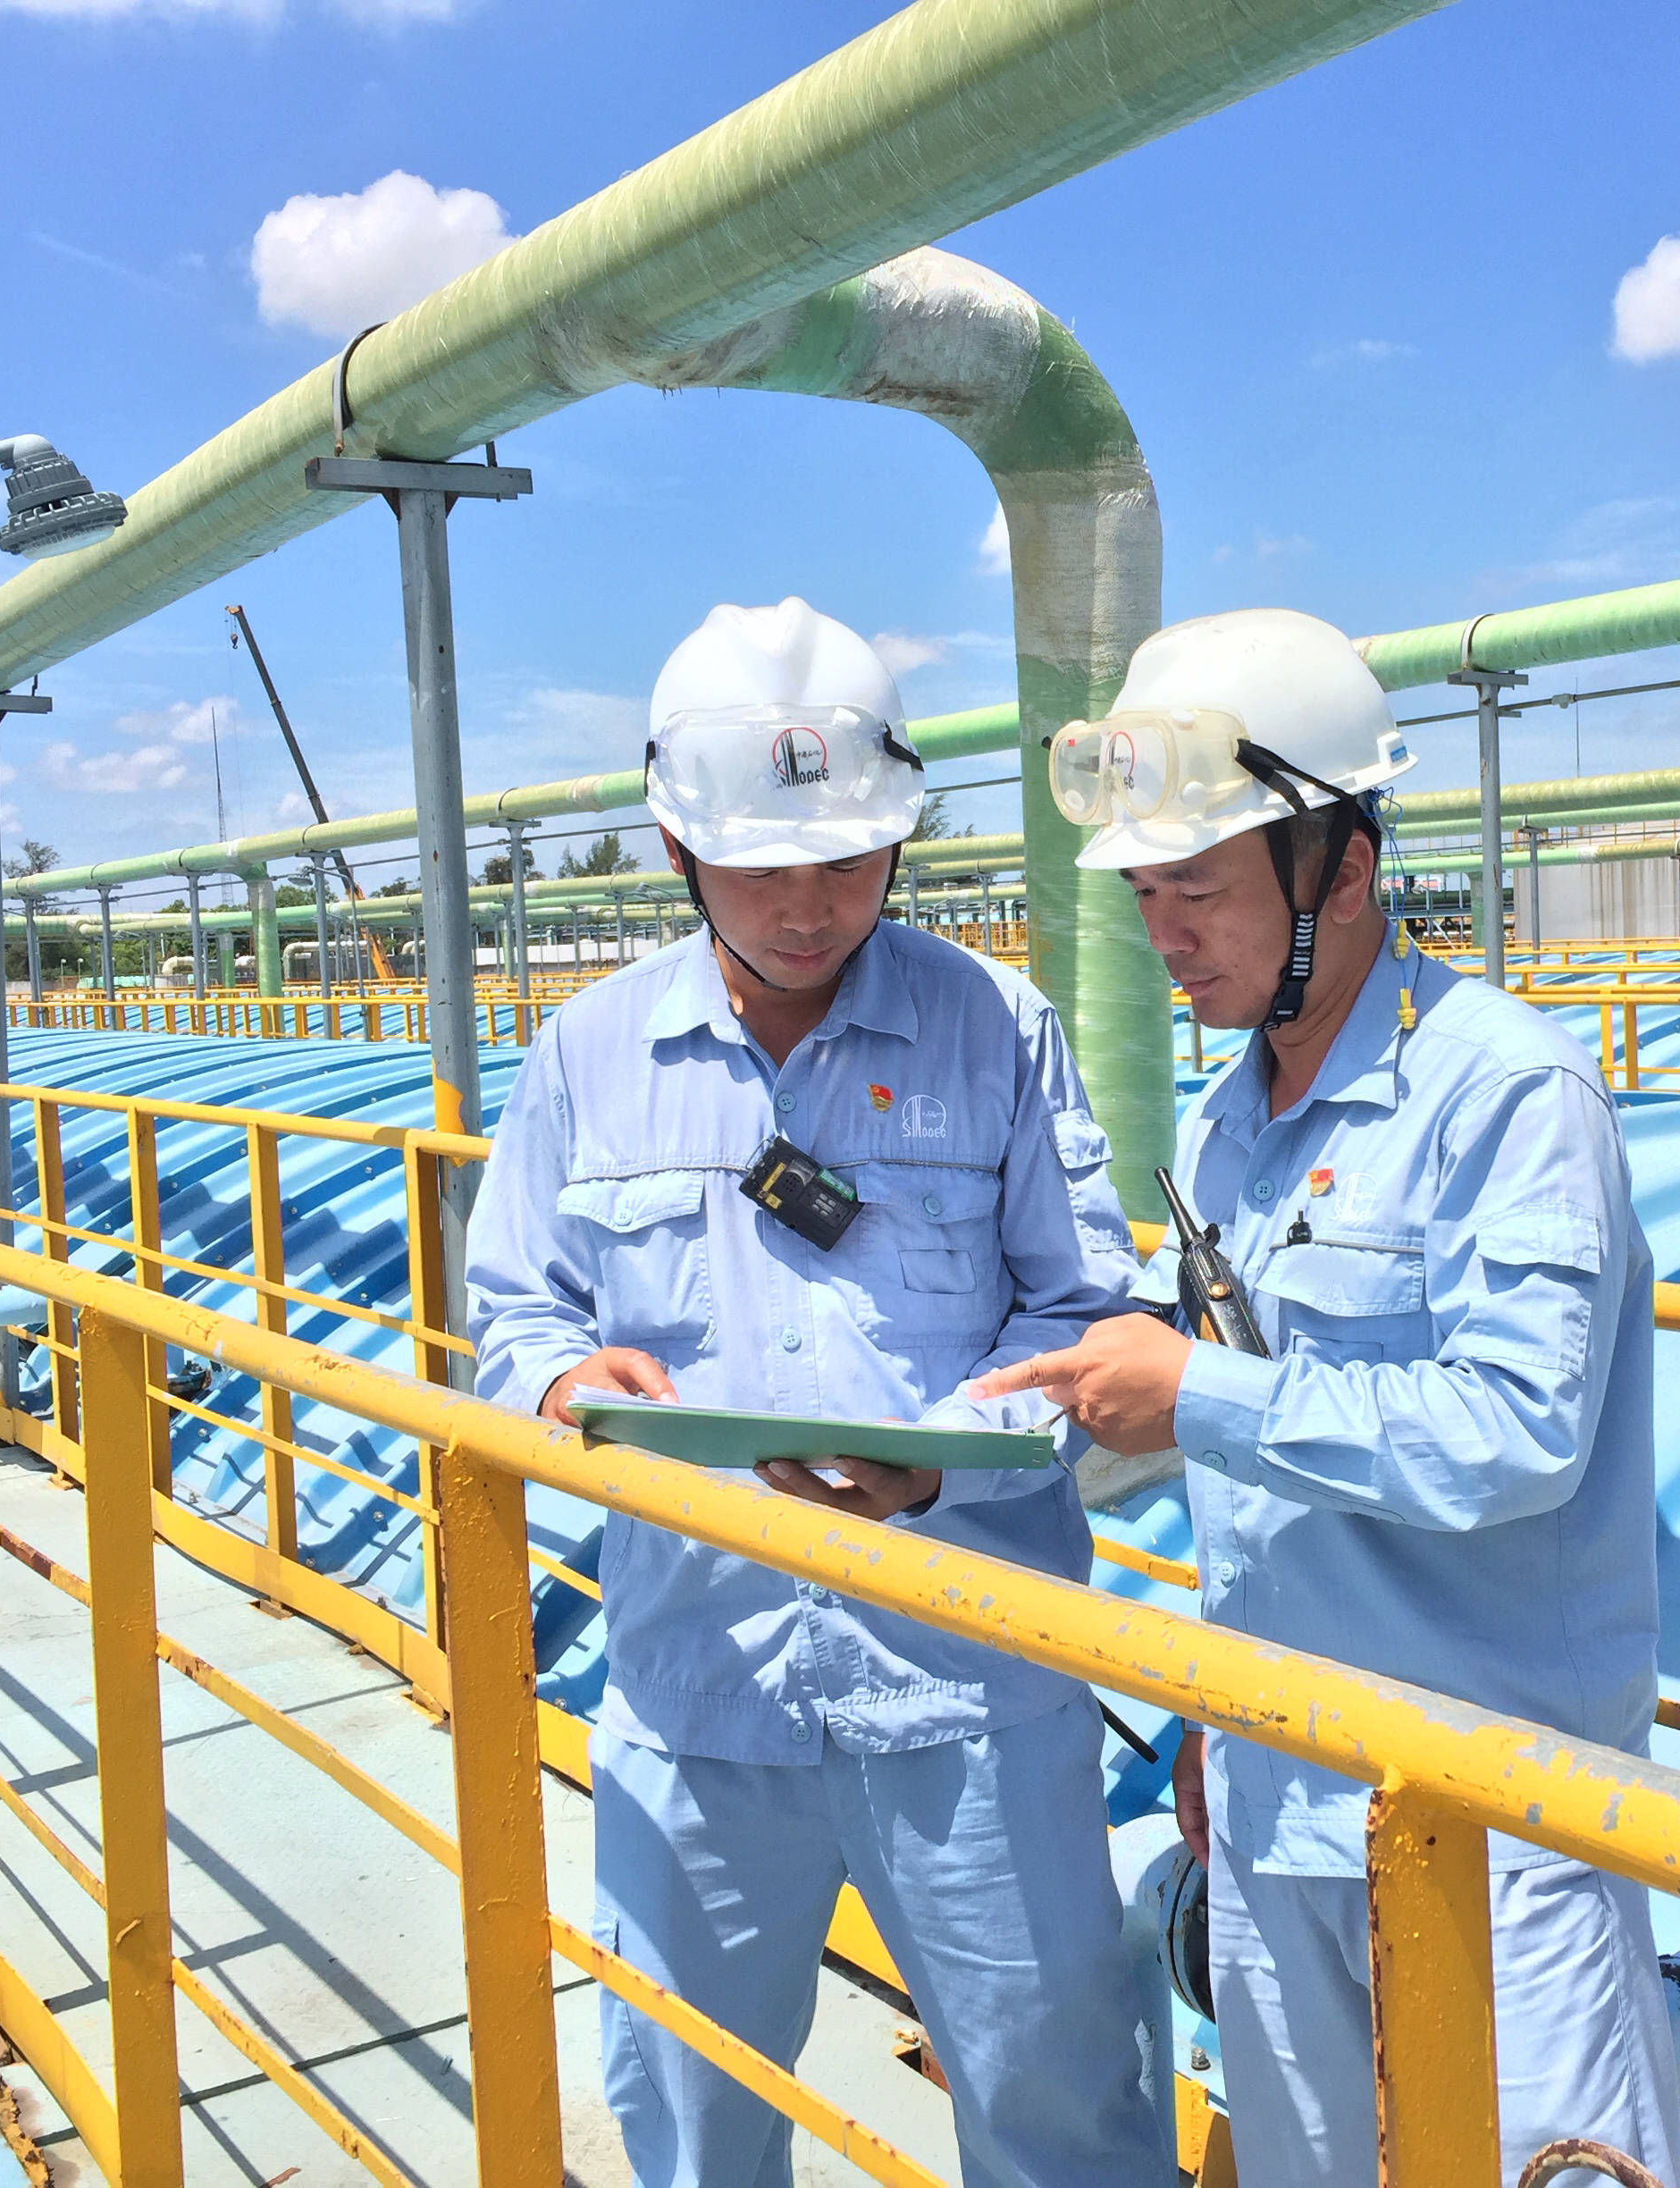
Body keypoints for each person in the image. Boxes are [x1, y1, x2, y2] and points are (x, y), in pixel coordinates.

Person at [466, 597, 1166, 2188]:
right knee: (691, 2104)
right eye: (764, 868)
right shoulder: (588, 1054)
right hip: (698, 1679)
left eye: (846, 863)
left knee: (1055, 2102)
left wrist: (949, 1467)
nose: (807, 905)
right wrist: (568, 1376)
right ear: (671, 846)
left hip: (970, 1681)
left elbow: (1083, 1310)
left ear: (901, 846)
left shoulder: (996, 1030)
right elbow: (513, 1301)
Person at [973, 607, 1678, 2184]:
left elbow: (1520, 1435)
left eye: (1201, 889)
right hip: (1278, 1793)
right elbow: (1235, 1453)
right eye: (1146, 892)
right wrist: (1218, 1722)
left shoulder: (1505, 1094)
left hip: (1499, 1824)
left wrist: (1202, 1395)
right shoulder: (1231, 1121)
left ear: (1342, 871)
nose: (1166, 933)